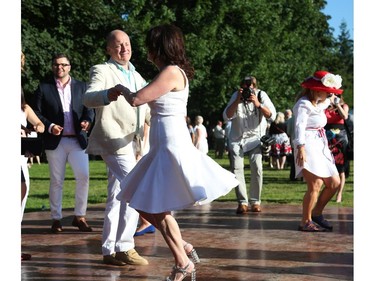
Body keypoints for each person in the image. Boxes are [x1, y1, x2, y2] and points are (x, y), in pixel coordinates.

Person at [115, 24, 239, 281]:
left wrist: (120, 89)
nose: (147, 51)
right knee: (136, 199)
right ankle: (183, 248)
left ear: (159, 47)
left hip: (171, 145)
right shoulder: (169, 72)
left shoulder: (172, 72)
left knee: (155, 206)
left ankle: (183, 263)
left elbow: (138, 99)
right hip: (161, 144)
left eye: (150, 46)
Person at [83, 29, 150, 266]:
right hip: (112, 141)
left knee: (116, 196)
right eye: (118, 45)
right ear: (109, 49)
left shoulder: (138, 75)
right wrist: (108, 94)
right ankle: (125, 246)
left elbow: (147, 109)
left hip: (132, 143)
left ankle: (108, 249)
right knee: (136, 186)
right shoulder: (102, 70)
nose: (124, 48)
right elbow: (88, 97)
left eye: (127, 44)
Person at [33, 53, 95, 233]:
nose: (59, 67)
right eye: (56, 65)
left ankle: (80, 216)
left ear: (69, 66)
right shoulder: (44, 87)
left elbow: (89, 109)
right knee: (56, 180)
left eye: (63, 64)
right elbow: (36, 112)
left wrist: (86, 121)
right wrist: (49, 125)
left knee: (83, 176)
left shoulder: (82, 86)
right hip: (55, 141)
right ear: (52, 67)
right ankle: (56, 218)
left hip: (77, 140)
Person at [293, 70, 341, 232]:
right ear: (315, 89)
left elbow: (327, 103)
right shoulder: (303, 104)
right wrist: (301, 148)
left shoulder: (319, 103)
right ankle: (305, 221)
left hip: (320, 144)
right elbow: (299, 126)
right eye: (326, 91)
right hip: (307, 144)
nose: (329, 94)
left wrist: (333, 99)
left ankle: (317, 213)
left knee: (334, 183)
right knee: (315, 184)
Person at [223, 75, 276, 214]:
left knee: (257, 168)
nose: (249, 88)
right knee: (236, 169)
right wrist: (237, 101)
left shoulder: (261, 95)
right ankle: (242, 202)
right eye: (246, 86)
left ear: (255, 86)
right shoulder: (236, 96)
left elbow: (272, 115)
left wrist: (258, 104)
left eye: (251, 85)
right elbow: (226, 116)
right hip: (237, 138)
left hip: (255, 138)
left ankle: (255, 201)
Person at [21, 52, 45, 261]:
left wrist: (32, 128)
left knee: (22, 195)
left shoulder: (25, 107)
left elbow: (40, 125)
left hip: (20, 154)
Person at [324, 94, 350, 202]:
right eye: (329, 94)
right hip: (327, 137)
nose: (330, 96)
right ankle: (328, 190)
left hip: (340, 139)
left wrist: (337, 104)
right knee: (327, 166)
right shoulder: (324, 107)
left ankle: (339, 194)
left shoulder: (344, 106)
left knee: (341, 168)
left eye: (332, 94)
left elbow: (345, 117)